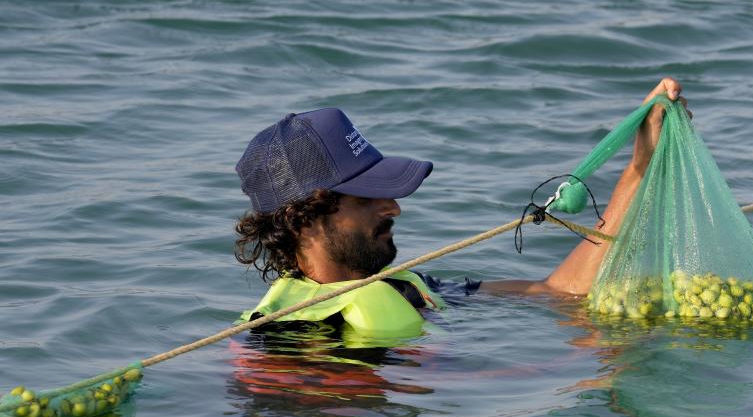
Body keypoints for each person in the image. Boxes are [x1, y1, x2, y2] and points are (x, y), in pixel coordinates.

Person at [234, 78, 687, 337]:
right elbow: (456, 393)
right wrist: (597, 360)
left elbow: (561, 291)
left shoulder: (408, 287)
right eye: (367, 197)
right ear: (304, 220)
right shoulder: (292, 338)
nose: (393, 207)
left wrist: (638, 168)